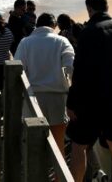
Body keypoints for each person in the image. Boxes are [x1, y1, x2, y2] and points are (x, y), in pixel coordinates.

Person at [67, 0, 112, 182]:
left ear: (89, 9)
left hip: (91, 101)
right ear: (106, 7)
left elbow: (79, 73)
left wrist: (71, 103)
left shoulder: (88, 32)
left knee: (79, 146)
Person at [14, 13, 75, 157]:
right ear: (54, 25)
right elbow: (71, 67)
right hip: (57, 98)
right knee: (58, 145)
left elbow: (17, 69)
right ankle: (57, 171)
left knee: (33, 144)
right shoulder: (62, 41)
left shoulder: (25, 42)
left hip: (32, 98)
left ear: (37, 25)